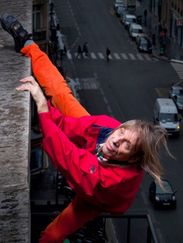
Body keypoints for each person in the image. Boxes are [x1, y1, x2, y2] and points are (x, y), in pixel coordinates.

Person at [1, 14, 170, 242]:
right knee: (61, 93)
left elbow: (68, 157)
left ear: (132, 160)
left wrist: (42, 108)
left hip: (95, 197)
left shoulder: (114, 181)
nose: (116, 140)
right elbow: (68, 125)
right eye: (121, 132)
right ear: (119, 126)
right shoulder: (107, 129)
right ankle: (28, 45)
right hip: (92, 156)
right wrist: (50, 113)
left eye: (126, 145)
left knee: (51, 235)